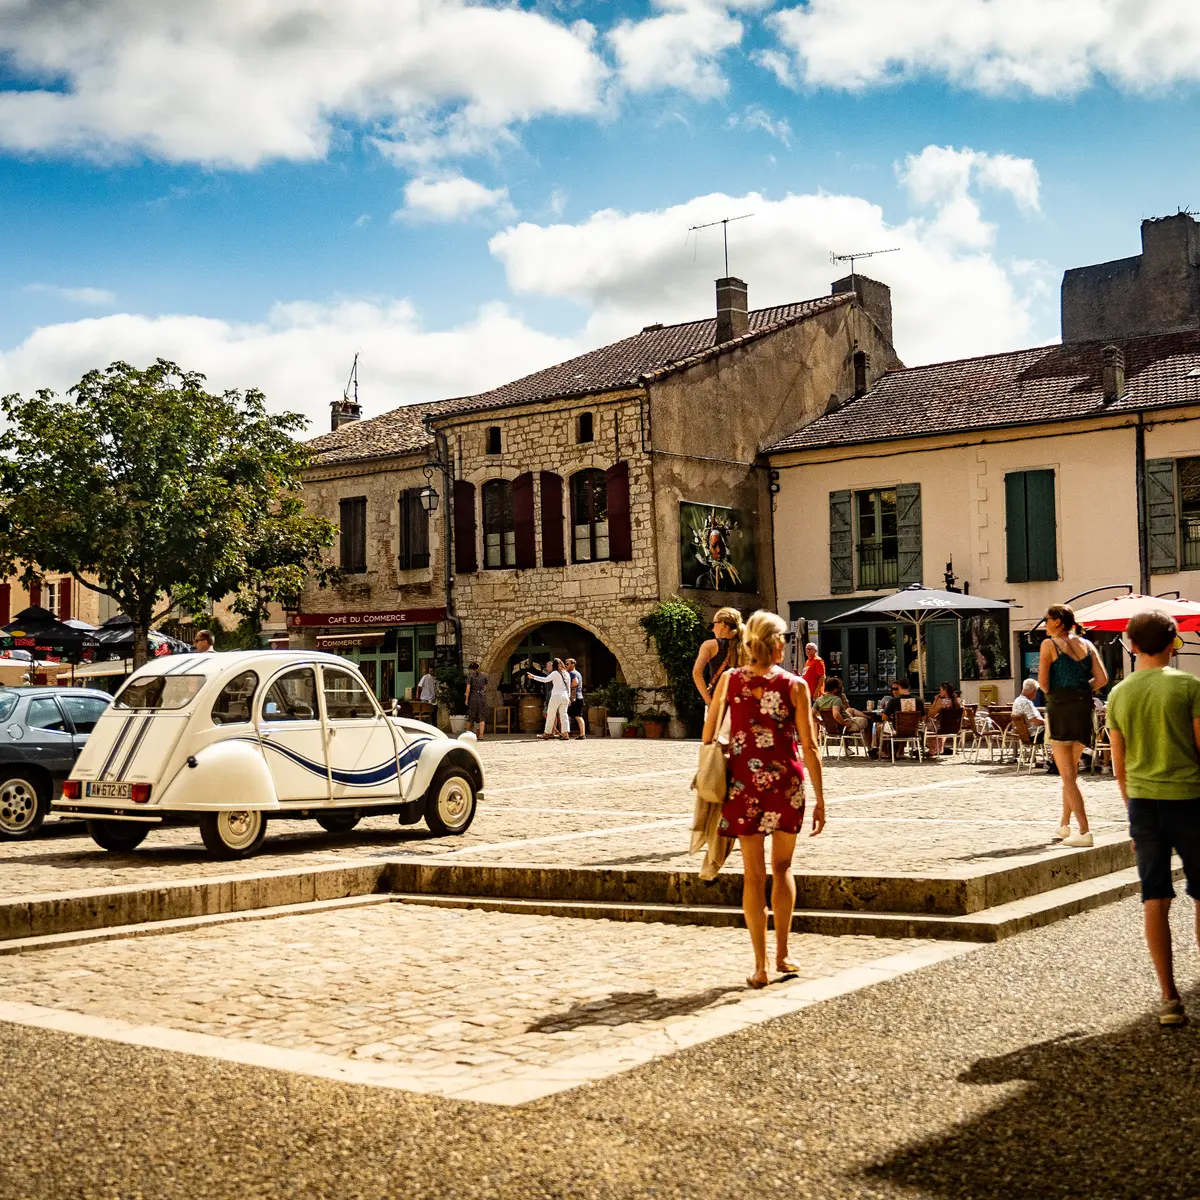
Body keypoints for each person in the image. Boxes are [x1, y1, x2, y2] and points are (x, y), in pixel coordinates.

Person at [702, 610, 826, 989]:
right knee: (783, 868)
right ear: (776, 644)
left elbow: (708, 734)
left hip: (745, 785)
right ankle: (783, 953)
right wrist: (820, 799)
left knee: (753, 876)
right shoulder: (795, 685)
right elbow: (809, 746)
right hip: (786, 785)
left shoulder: (729, 680)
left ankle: (760, 966)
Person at [1105, 610, 1200, 1026]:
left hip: (1143, 804)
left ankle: (1169, 998)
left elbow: (1118, 766)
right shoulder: (1189, 686)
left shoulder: (1119, 694)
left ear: (1132, 645)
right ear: (1173, 643)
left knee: (1155, 897)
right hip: (1190, 800)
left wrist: (1133, 815)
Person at [1039, 604, 1107, 847]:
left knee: (1067, 777)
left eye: (1047, 619)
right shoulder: (1087, 645)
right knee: (1071, 772)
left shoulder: (1049, 645)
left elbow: (1043, 684)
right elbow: (1102, 679)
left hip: (1060, 710)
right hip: (1083, 710)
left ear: (1057, 621)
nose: (1045, 624)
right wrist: (1080, 689)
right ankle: (1064, 825)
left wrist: (1063, 691)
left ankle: (1085, 831)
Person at [692, 607, 745, 710]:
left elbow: (696, 673)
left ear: (722, 624)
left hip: (719, 704)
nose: (712, 629)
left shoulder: (709, 645)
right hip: (743, 703)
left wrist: (709, 702)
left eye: (713, 624)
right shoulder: (748, 645)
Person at [814, 678, 870, 746]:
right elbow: (836, 714)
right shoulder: (836, 699)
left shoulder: (819, 700)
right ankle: (870, 747)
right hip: (843, 727)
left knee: (850, 710)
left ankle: (868, 717)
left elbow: (811, 715)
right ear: (835, 689)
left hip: (829, 727)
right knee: (867, 721)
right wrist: (844, 724)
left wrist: (821, 722)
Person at [529, 658, 572, 740]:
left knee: (550, 715)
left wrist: (533, 677)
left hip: (556, 696)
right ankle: (565, 734)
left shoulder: (555, 673)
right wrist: (569, 697)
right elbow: (568, 687)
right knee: (564, 715)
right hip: (565, 696)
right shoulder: (566, 673)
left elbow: (545, 680)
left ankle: (547, 733)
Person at [925, 681, 963, 755]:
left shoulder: (941, 702)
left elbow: (931, 714)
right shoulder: (958, 701)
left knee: (928, 723)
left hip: (942, 728)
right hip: (955, 728)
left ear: (945, 691)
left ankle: (932, 749)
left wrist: (935, 701)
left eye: (941, 690)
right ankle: (938, 748)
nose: (939, 692)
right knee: (935, 724)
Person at [464, 662, 489, 738]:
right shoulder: (483, 676)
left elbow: (468, 688)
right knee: (481, 716)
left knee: (471, 715)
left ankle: (467, 734)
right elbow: (485, 688)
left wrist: (466, 699)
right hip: (481, 697)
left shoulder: (470, 677)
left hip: (473, 697)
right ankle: (481, 735)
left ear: (471, 669)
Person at [565, 657, 586, 739]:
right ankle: (581, 734)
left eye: (567, 664)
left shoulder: (572, 674)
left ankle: (582, 734)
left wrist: (566, 687)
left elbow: (575, 684)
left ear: (573, 664)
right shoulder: (577, 673)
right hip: (578, 697)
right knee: (575, 716)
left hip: (575, 698)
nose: (566, 665)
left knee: (577, 716)